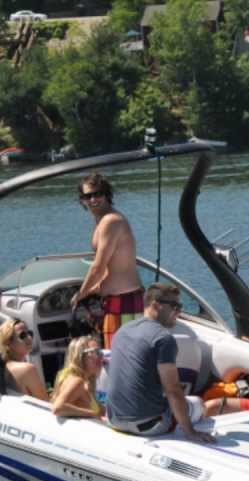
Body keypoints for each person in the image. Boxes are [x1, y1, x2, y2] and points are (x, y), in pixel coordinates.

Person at [104, 284, 214, 442]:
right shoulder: (163, 339)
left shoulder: (122, 330)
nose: (179, 311)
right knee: (197, 403)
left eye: (180, 306)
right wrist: (190, 432)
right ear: (155, 305)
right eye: (175, 306)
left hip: (114, 419)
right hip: (148, 426)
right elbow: (173, 391)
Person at [70, 172, 144, 349]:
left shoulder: (111, 221)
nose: (93, 199)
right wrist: (95, 289)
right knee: (114, 355)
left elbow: (98, 266)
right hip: (113, 300)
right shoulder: (101, 220)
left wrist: (81, 294)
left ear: (107, 194)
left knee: (121, 357)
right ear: (82, 200)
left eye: (98, 194)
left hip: (124, 300)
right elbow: (110, 265)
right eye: (88, 196)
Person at [0, 319, 49, 401]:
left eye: (30, 333)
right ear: (8, 342)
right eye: (22, 335)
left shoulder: (5, 367)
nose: (29, 338)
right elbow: (46, 403)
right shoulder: (27, 369)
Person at [52, 335, 104, 418]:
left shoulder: (80, 380)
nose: (100, 357)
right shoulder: (77, 381)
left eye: (100, 352)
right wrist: (93, 414)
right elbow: (58, 408)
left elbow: (101, 410)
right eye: (95, 352)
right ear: (80, 356)